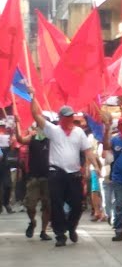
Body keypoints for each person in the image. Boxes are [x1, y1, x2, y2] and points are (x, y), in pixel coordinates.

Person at [28, 92, 102, 247]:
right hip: (56, 174)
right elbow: (36, 114)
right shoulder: (53, 130)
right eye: (66, 116)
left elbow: (88, 151)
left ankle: (71, 227)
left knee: (77, 204)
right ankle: (60, 234)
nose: (70, 119)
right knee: (56, 204)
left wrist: (95, 165)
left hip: (73, 175)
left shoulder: (79, 132)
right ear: (60, 118)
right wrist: (33, 96)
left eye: (71, 116)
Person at [15, 118, 52, 241]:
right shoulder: (32, 138)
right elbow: (20, 139)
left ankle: (43, 231)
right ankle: (32, 222)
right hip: (34, 178)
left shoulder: (52, 139)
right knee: (30, 205)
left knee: (47, 205)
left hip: (48, 177)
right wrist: (17, 123)